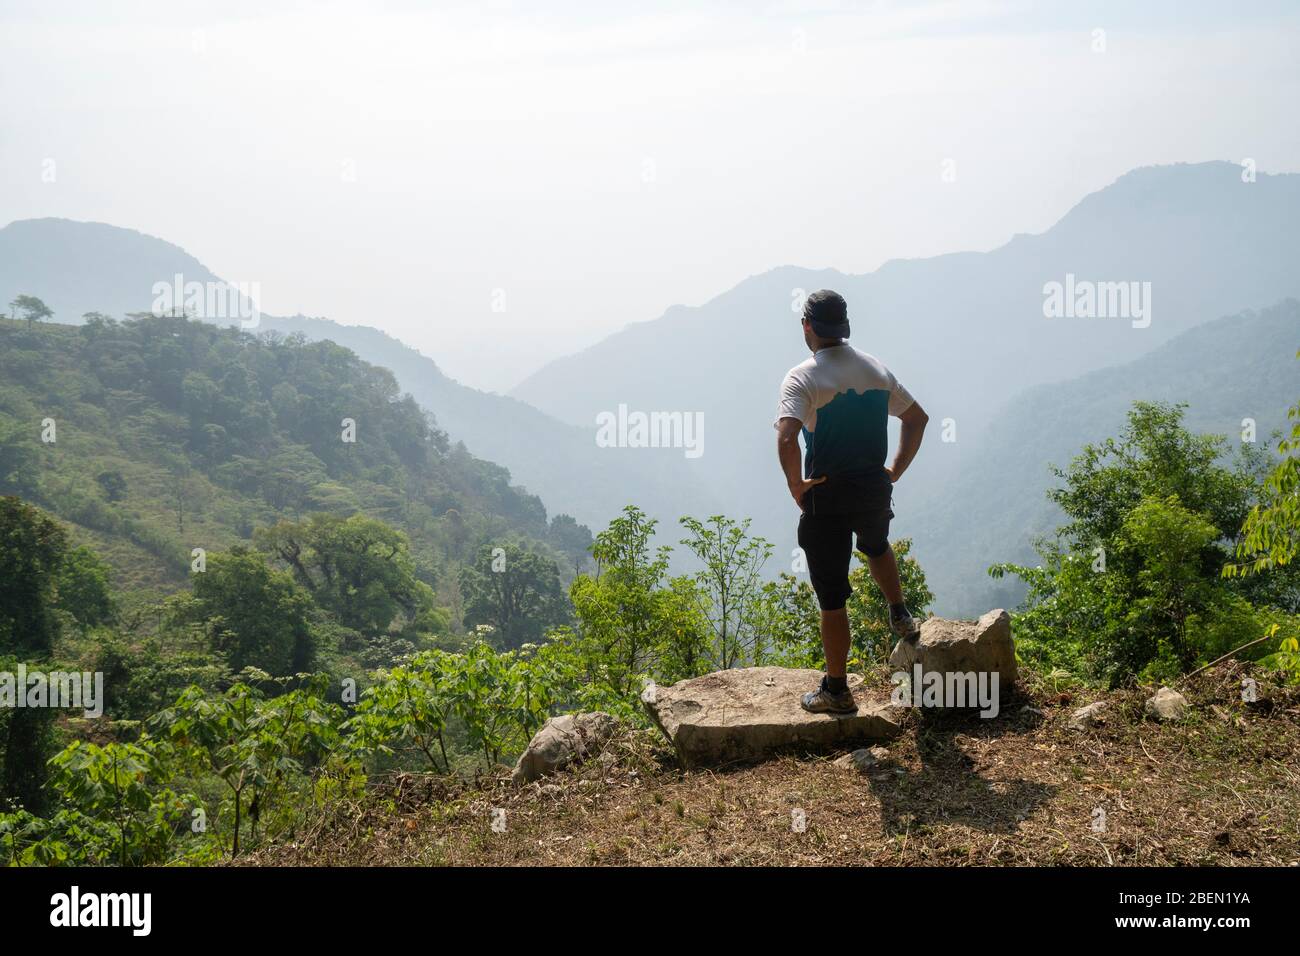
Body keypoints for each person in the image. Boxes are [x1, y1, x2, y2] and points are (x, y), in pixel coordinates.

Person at [774, 289, 929, 714]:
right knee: (877, 546)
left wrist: (796, 485)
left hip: (827, 496)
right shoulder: (876, 369)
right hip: (873, 490)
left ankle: (837, 691)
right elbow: (917, 418)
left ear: (807, 326)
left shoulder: (803, 377)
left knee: (832, 598)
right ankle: (899, 613)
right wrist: (894, 470)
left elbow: (787, 437)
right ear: (845, 326)